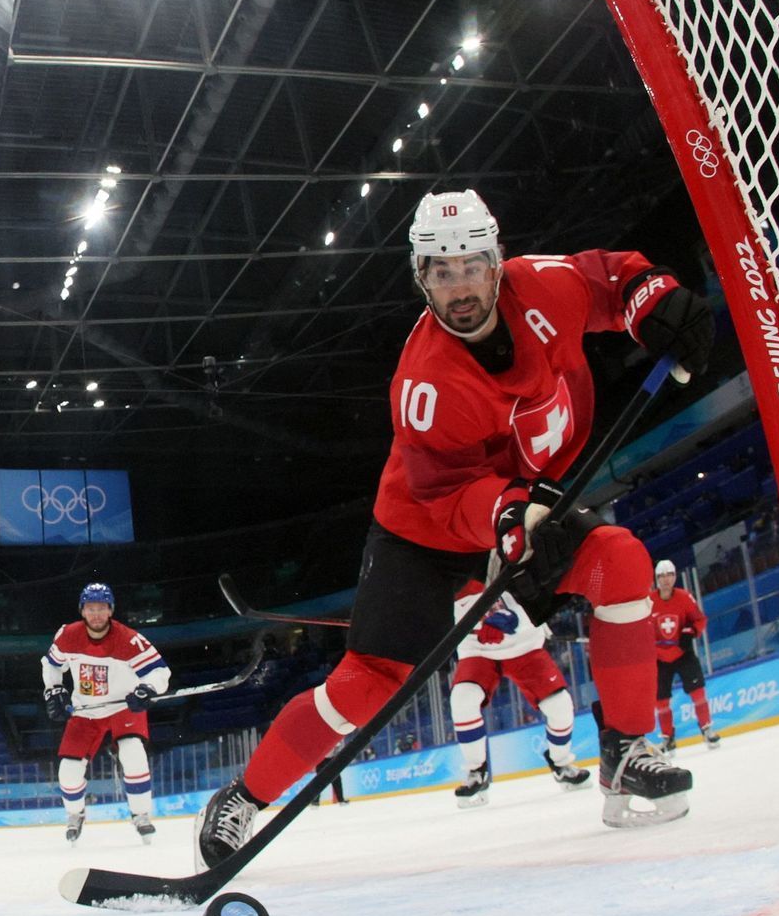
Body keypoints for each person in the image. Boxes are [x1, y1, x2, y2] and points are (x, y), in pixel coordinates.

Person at [196, 189, 711, 863]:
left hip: (525, 504)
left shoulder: (545, 286)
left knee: (619, 559)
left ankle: (622, 750)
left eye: (469, 265)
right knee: (366, 681)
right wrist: (507, 514)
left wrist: (654, 301)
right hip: (426, 532)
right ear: (420, 278)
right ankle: (243, 797)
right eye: (440, 271)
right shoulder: (426, 382)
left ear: (495, 262)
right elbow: (441, 490)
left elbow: (611, 278)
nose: (458, 286)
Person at [41, 582, 169, 845]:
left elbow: (160, 672)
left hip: (123, 706)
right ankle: (75, 815)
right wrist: (53, 690)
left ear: (110, 610)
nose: (96, 614)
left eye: (101, 608)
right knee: (68, 771)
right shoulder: (67, 635)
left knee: (133, 753)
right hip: (85, 709)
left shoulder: (129, 639)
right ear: (82, 610)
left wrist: (147, 688)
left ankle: (141, 814)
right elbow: (51, 665)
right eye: (91, 608)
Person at [446, 580, 591, 807]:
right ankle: (477, 771)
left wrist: (516, 619)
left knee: (560, 705)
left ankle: (561, 763)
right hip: (477, 649)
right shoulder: (452, 563)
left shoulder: (509, 548)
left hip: (524, 645)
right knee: (463, 699)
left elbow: (539, 591)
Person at [651, 559, 722, 751]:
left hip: (683, 653)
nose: (666, 580)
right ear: (656, 578)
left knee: (698, 692)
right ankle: (667, 738)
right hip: (659, 658)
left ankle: (707, 729)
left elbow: (699, 620)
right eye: (661, 576)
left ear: (674, 576)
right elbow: (641, 630)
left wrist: (691, 631)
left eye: (669, 575)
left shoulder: (684, 597)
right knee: (661, 701)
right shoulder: (649, 602)